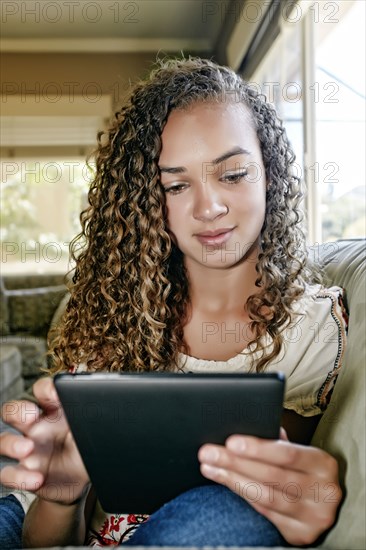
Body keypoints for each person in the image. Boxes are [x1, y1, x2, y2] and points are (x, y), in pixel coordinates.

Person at [0, 57, 347, 548]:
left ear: (268, 172)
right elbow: (50, 538)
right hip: (67, 526)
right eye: (177, 185)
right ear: (146, 200)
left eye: (233, 174)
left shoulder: (310, 327)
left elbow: (268, 493)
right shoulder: (115, 312)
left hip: (198, 528)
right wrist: (61, 498)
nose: (209, 208)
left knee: (224, 509)